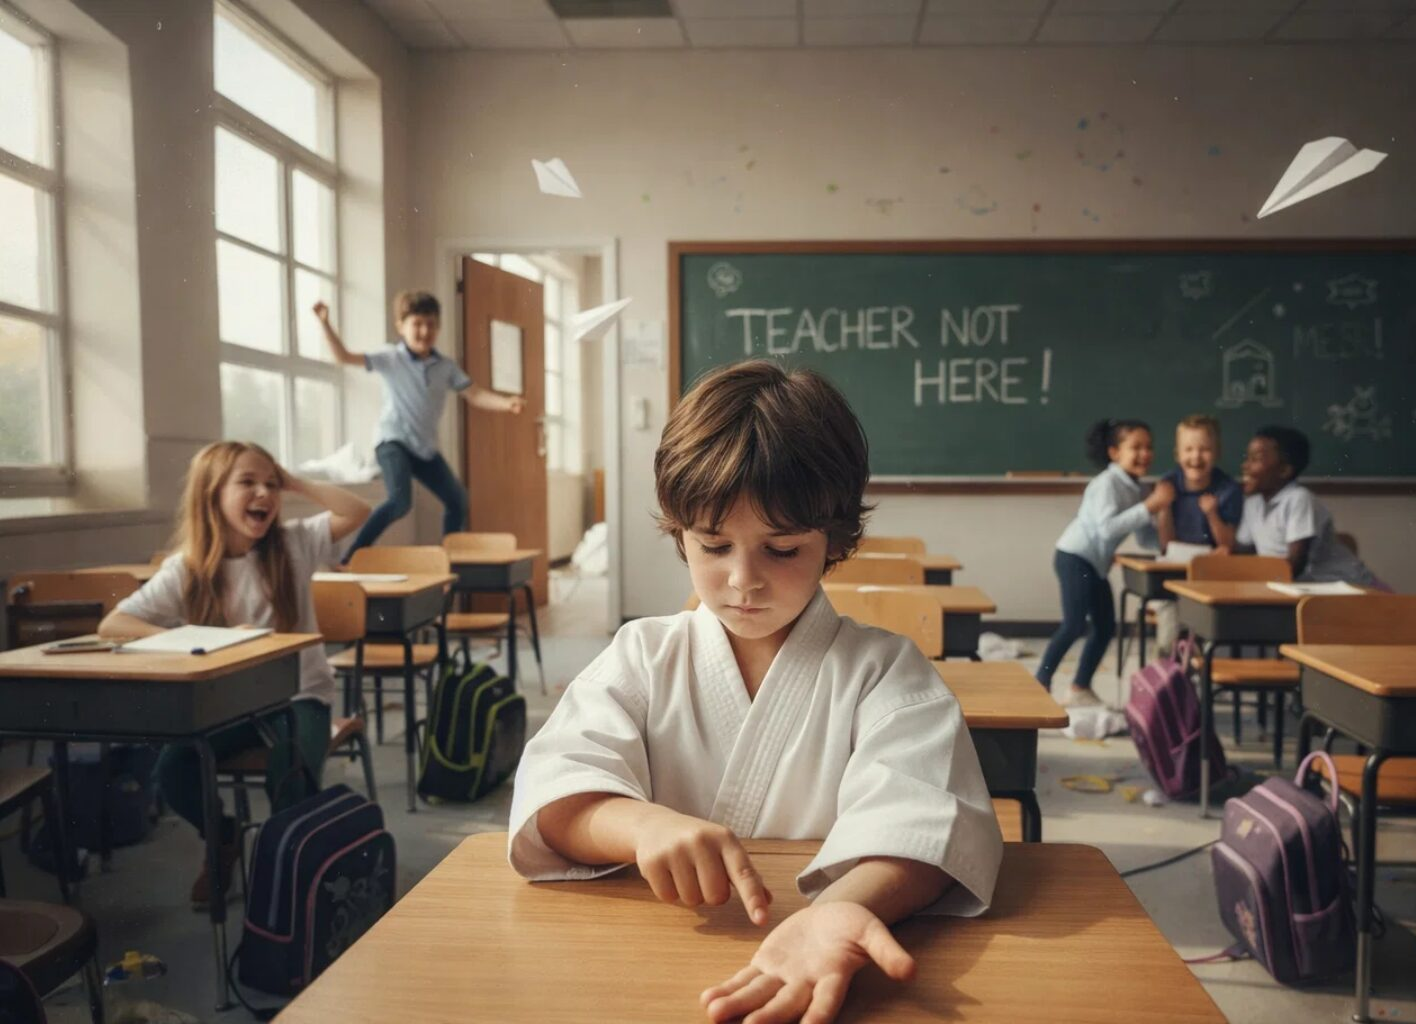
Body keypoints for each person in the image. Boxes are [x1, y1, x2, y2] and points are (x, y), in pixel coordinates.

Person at [508, 360, 1002, 1024]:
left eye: (782, 549)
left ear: (833, 540)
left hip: (819, 943)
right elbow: (554, 798)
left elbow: (927, 830)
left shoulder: (885, 672)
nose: (744, 580)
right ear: (680, 534)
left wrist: (839, 910)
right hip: (651, 957)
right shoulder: (643, 656)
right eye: (714, 546)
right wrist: (640, 825)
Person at [99, 441, 370, 905]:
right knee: (174, 769)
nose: (264, 493)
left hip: (301, 696)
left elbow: (358, 510)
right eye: (247, 482)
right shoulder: (187, 567)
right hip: (233, 705)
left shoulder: (295, 543)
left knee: (290, 769)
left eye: (271, 484)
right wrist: (200, 637)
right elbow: (114, 625)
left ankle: (287, 877)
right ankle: (222, 838)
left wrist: (293, 480)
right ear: (212, 494)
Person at [312, 291, 524, 560]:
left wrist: (506, 403)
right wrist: (325, 324)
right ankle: (351, 557)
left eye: (431, 324)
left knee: (458, 500)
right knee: (400, 501)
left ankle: (449, 560)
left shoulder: (446, 367)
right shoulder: (390, 357)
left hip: (425, 449)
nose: (425, 331)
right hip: (393, 442)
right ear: (401, 326)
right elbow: (344, 357)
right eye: (417, 324)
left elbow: (475, 394)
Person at [1037, 419, 1175, 705]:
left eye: (1149, 447)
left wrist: (1163, 516)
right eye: (1136, 447)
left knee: (1105, 627)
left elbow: (1145, 538)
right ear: (1114, 452)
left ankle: (1080, 688)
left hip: (1094, 564)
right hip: (1074, 557)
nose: (1145, 454)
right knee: (1074, 624)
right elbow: (1107, 529)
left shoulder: (1137, 488)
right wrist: (1150, 505)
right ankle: (1039, 684)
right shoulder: (1107, 483)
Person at [1235, 425, 1385, 587]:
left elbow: (1295, 565)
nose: (1245, 466)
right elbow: (1243, 551)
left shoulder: (1299, 499)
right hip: (1302, 589)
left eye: (1255, 459)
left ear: (1284, 470)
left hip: (1352, 587)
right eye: (1247, 458)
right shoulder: (1253, 504)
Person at [1152, 415, 1244, 654]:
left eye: (1204, 450)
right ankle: (1168, 660)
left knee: (1205, 626)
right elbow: (1165, 545)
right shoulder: (1168, 484)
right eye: (1188, 449)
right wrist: (1164, 507)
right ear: (1177, 454)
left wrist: (1212, 514)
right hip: (1175, 570)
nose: (1196, 457)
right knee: (1170, 621)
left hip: (1212, 573)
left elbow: (1227, 544)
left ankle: (1202, 660)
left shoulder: (1228, 488)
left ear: (1217, 452)